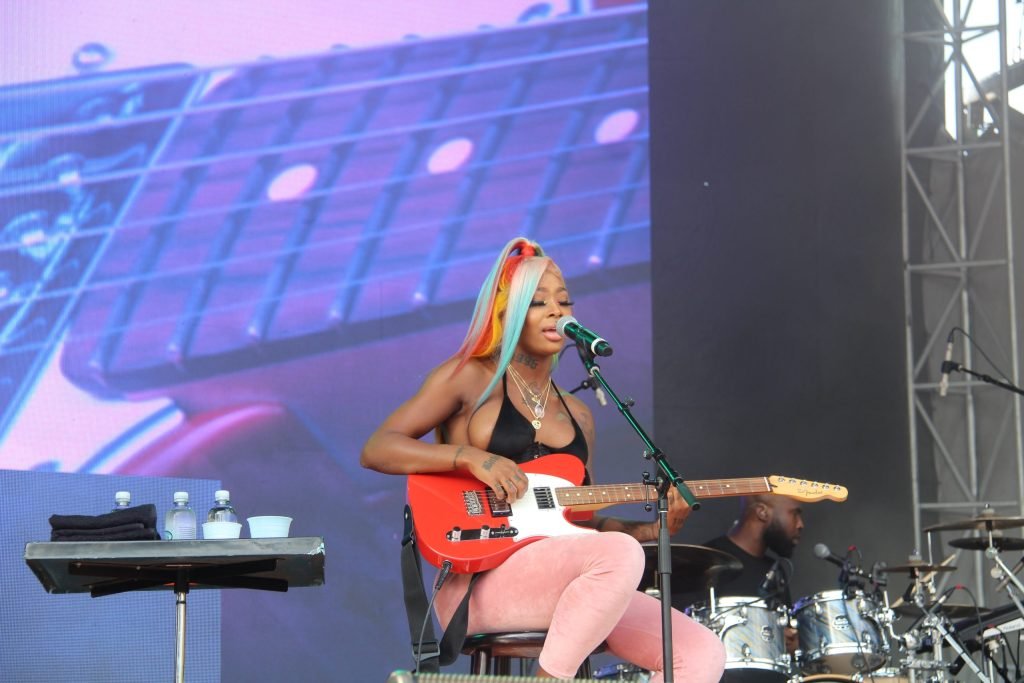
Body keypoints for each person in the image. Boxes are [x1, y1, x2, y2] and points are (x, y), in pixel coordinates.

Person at [361, 237, 726, 682]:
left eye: (564, 301)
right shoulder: (468, 378)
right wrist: (469, 457)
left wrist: (651, 530)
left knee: (699, 651)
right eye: (539, 302)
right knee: (618, 556)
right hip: (479, 581)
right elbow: (377, 448)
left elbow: (582, 523)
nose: (557, 311)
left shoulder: (578, 414)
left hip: (563, 575)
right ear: (507, 314)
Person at [690, 494, 804, 683]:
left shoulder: (776, 569)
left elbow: (785, 640)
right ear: (762, 512)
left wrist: (788, 641)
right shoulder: (707, 562)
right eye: (794, 514)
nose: (800, 524)